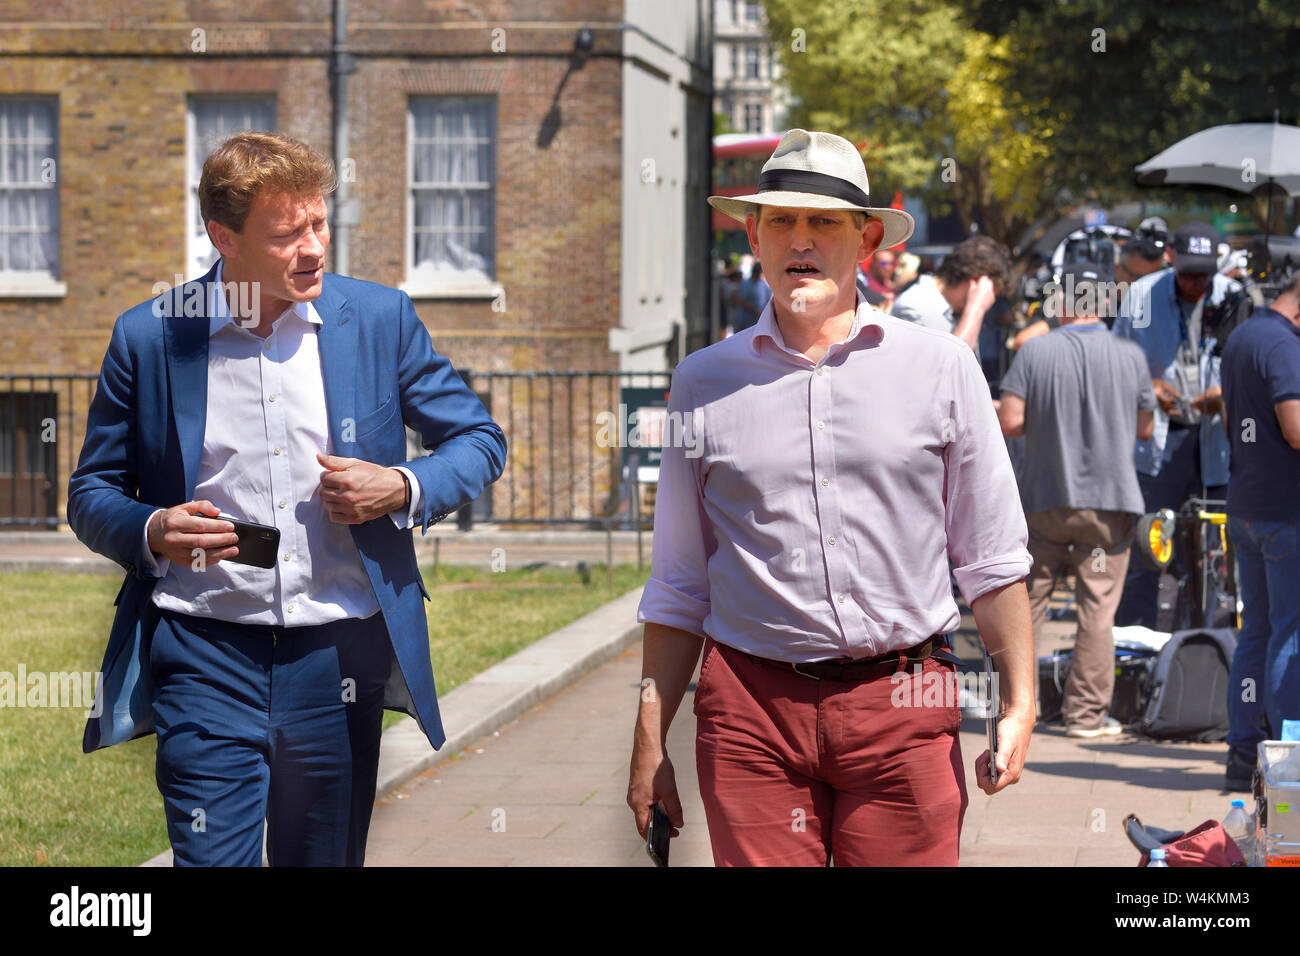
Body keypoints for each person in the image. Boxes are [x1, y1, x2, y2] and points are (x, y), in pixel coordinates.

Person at [67, 132, 507, 866]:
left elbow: (478, 439)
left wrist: (402, 484)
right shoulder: (150, 337)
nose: (314, 248)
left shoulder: (377, 320)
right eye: (287, 234)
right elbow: (91, 493)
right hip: (203, 654)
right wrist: (151, 528)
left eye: (319, 223)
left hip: (337, 661)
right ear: (223, 238)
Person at [625, 129, 1035, 867]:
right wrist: (650, 739)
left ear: (867, 237)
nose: (800, 241)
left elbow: (992, 556)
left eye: (824, 222)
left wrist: (1020, 700)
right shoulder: (702, 382)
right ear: (754, 235)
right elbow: (680, 582)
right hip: (751, 713)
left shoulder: (940, 368)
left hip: (904, 705)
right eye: (780, 220)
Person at [996, 263, 1156, 737]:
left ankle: (1015, 709)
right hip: (1108, 509)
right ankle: (1085, 717)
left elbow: (1010, 422)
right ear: (1104, 304)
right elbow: (1145, 428)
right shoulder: (1130, 355)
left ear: (1062, 304)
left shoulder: (1034, 352)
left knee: (1029, 605)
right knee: (1097, 610)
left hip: (1045, 500)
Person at [1112, 221, 1241, 629]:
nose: (1195, 283)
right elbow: (1115, 362)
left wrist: (1227, 391)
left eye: (1204, 275)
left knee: (1209, 553)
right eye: (1187, 274)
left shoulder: (1234, 298)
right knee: (1148, 548)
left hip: (1214, 441)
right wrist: (1146, 385)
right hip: (1160, 444)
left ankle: (1201, 643)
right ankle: (1140, 646)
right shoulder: (1141, 295)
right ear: (1170, 257)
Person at [1219, 272, 1300, 789]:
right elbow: (1294, 427)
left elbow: (1234, 422)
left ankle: (1244, 753)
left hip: (1246, 505)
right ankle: (1287, 762)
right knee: (1289, 635)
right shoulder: (1285, 347)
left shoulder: (1243, 336)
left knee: (1258, 631)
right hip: (1284, 514)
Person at [892, 234, 1010, 351]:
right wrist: (976, 308)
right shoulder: (915, 308)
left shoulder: (955, 312)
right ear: (974, 281)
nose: (988, 304)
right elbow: (951, 365)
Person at [734, 261, 772, 333]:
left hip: (758, 321)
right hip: (745, 320)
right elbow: (741, 301)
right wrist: (755, 310)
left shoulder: (764, 285)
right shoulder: (745, 284)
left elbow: (768, 300)